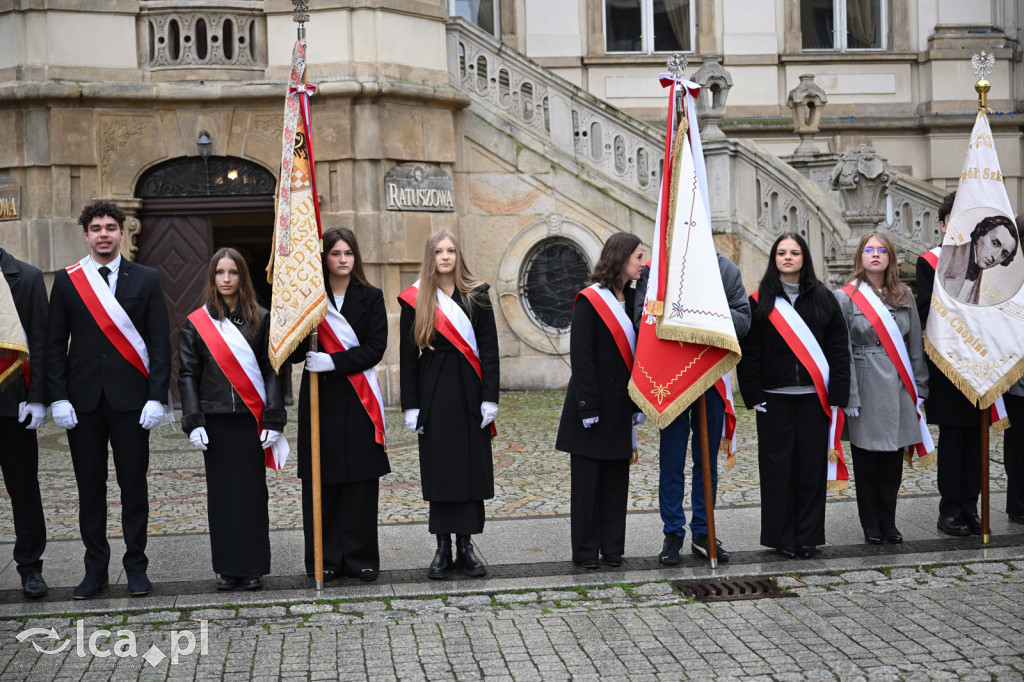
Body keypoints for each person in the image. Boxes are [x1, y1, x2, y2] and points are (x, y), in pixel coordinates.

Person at [46, 200, 171, 599]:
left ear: (122, 232)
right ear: (86, 234)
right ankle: (94, 570)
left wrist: (157, 397)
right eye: (96, 227)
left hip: (132, 402)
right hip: (82, 403)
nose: (103, 234)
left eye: (110, 227)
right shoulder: (68, 281)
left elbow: (159, 344)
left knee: (134, 488)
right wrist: (58, 397)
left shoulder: (147, 278)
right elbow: (52, 345)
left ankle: (136, 567)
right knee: (90, 489)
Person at [737, 233, 850, 559]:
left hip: (814, 400)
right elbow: (750, 352)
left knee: (812, 468)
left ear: (804, 258)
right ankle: (781, 537)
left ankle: (808, 536)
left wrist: (838, 393)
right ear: (774, 258)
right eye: (782, 252)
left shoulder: (823, 298)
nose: (788, 257)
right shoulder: (759, 301)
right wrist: (753, 393)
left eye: (795, 252)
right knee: (777, 470)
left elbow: (838, 350)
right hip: (774, 400)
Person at [178, 248, 285, 591]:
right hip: (216, 421)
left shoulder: (262, 318)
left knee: (253, 496)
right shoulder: (196, 323)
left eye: (233, 272)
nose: (226, 279)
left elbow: (272, 371)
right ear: (212, 277)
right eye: (220, 273)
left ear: (242, 277)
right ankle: (227, 568)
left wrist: (273, 417)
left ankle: (253, 567)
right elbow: (188, 374)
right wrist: (193, 420)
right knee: (222, 497)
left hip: (251, 421)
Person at [634, 255, 750, 566]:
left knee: (706, 459)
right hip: (670, 376)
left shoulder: (725, 270)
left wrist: (707, 318)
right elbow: (640, 321)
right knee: (671, 460)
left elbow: (743, 319)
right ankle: (673, 532)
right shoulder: (656, 271)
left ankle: (703, 531)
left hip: (710, 375)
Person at [399, 229, 499, 579]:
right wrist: (411, 405)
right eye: (439, 251)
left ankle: (466, 547)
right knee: (441, 471)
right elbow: (408, 357)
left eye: (451, 250)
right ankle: (442, 546)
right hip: (434, 394)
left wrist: (490, 398)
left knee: (470, 471)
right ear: (431, 257)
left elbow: (489, 352)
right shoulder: (415, 300)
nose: (445, 256)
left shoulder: (477, 296)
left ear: (459, 255)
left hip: (470, 395)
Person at [291, 228, 389, 583]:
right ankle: (325, 558)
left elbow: (376, 346)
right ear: (325, 258)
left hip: (359, 398)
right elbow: (292, 352)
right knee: (324, 480)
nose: (343, 259)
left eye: (348, 252)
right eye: (335, 253)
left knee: (360, 483)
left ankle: (361, 558)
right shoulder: (310, 300)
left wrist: (333, 362)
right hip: (322, 400)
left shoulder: (372, 296)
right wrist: (298, 323)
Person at [556, 232, 645, 569]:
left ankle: (612, 549)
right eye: (638, 256)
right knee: (588, 486)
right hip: (590, 407)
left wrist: (637, 404)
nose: (642, 263)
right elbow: (582, 358)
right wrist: (588, 406)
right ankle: (585, 551)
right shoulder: (590, 300)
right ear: (621, 257)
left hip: (621, 404)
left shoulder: (638, 300)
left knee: (615, 484)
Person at [835, 232, 927, 545]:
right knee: (867, 459)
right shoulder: (846, 297)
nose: (876, 255)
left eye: (882, 250)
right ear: (860, 256)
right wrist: (849, 395)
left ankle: (889, 521)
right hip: (865, 383)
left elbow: (915, 344)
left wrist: (920, 387)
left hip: (899, 385)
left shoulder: (904, 295)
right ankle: (870, 524)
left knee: (891, 460)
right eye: (870, 249)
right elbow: (842, 350)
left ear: (890, 258)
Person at [917, 192, 985, 536]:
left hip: (980, 363)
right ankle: (950, 510)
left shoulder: (989, 265)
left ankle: (971, 506)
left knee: (976, 437)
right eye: (951, 221)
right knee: (954, 439)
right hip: (946, 366)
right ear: (943, 225)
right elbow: (929, 314)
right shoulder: (928, 262)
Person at [0, 247, 49, 598]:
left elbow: (43, 343)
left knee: (24, 490)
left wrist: (38, 398)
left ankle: (30, 567)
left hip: (12, 402)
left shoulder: (27, 277)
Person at [936, 214, 1019, 305]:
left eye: (1004, 254)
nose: (995, 257)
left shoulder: (982, 279)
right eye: (994, 243)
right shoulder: (943, 256)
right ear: (981, 234)